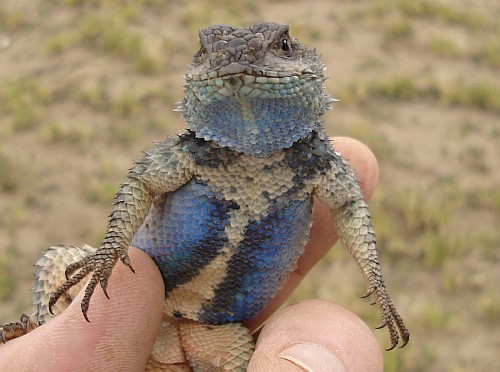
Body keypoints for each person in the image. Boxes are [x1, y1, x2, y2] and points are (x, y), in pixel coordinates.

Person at [0, 138, 383, 371]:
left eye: (278, 49)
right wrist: (113, 245)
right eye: (213, 52)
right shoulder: (192, 149)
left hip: (209, 333)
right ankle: (43, 331)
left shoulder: (317, 161)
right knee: (57, 265)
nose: (242, 65)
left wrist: (375, 280)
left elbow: (348, 205)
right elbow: (142, 182)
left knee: (242, 356)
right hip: (130, 295)